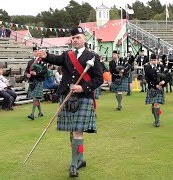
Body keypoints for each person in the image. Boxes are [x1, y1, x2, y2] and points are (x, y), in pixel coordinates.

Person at [35, 26, 103, 177]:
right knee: (73, 131)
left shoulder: (93, 56)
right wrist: (45, 55)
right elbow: (55, 59)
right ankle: (80, 159)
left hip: (83, 98)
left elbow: (99, 79)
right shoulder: (67, 55)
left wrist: (83, 87)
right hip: (67, 96)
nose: (75, 40)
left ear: (84, 39)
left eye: (78, 37)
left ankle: (73, 164)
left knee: (78, 131)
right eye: (73, 38)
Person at [25, 47, 48, 120]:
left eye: (38, 51)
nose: (37, 52)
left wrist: (36, 73)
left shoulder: (43, 61)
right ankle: (40, 112)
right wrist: (27, 75)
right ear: (33, 52)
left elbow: (45, 71)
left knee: (35, 98)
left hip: (39, 81)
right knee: (36, 99)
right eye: (35, 51)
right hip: (32, 81)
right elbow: (26, 71)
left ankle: (32, 114)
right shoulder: (30, 62)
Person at [145, 54, 167, 127]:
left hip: (160, 88)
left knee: (156, 104)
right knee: (153, 105)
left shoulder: (161, 67)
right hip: (152, 88)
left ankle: (157, 121)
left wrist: (164, 82)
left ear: (157, 60)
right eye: (152, 60)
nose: (153, 61)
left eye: (154, 60)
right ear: (150, 61)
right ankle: (155, 119)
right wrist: (155, 85)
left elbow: (166, 76)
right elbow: (148, 80)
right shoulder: (147, 68)